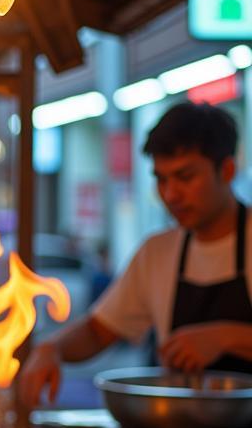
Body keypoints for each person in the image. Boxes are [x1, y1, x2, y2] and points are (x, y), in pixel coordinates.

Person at [21, 102, 252, 409]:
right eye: (161, 179)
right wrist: (52, 348)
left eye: (185, 177)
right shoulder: (158, 253)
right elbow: (98, 330)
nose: (170, 194)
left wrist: (225, 337)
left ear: (227, 170)